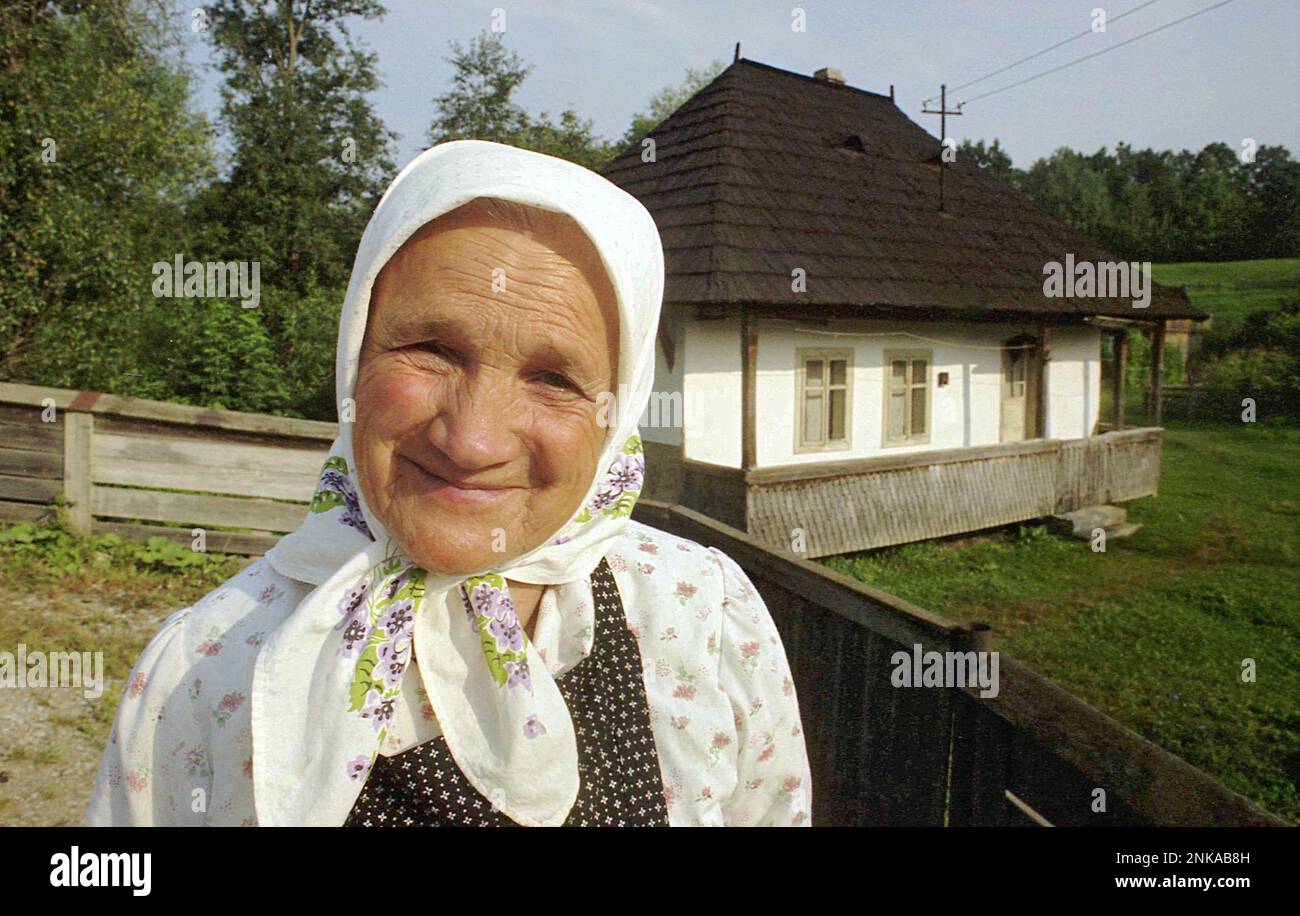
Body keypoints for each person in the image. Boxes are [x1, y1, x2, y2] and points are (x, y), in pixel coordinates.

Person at [85, 139, 812, 827]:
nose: (472, 439)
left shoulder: (706, 616)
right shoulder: (204, 667)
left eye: (554, 378)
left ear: (615, 411)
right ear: (354, 358)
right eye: (431, 349)